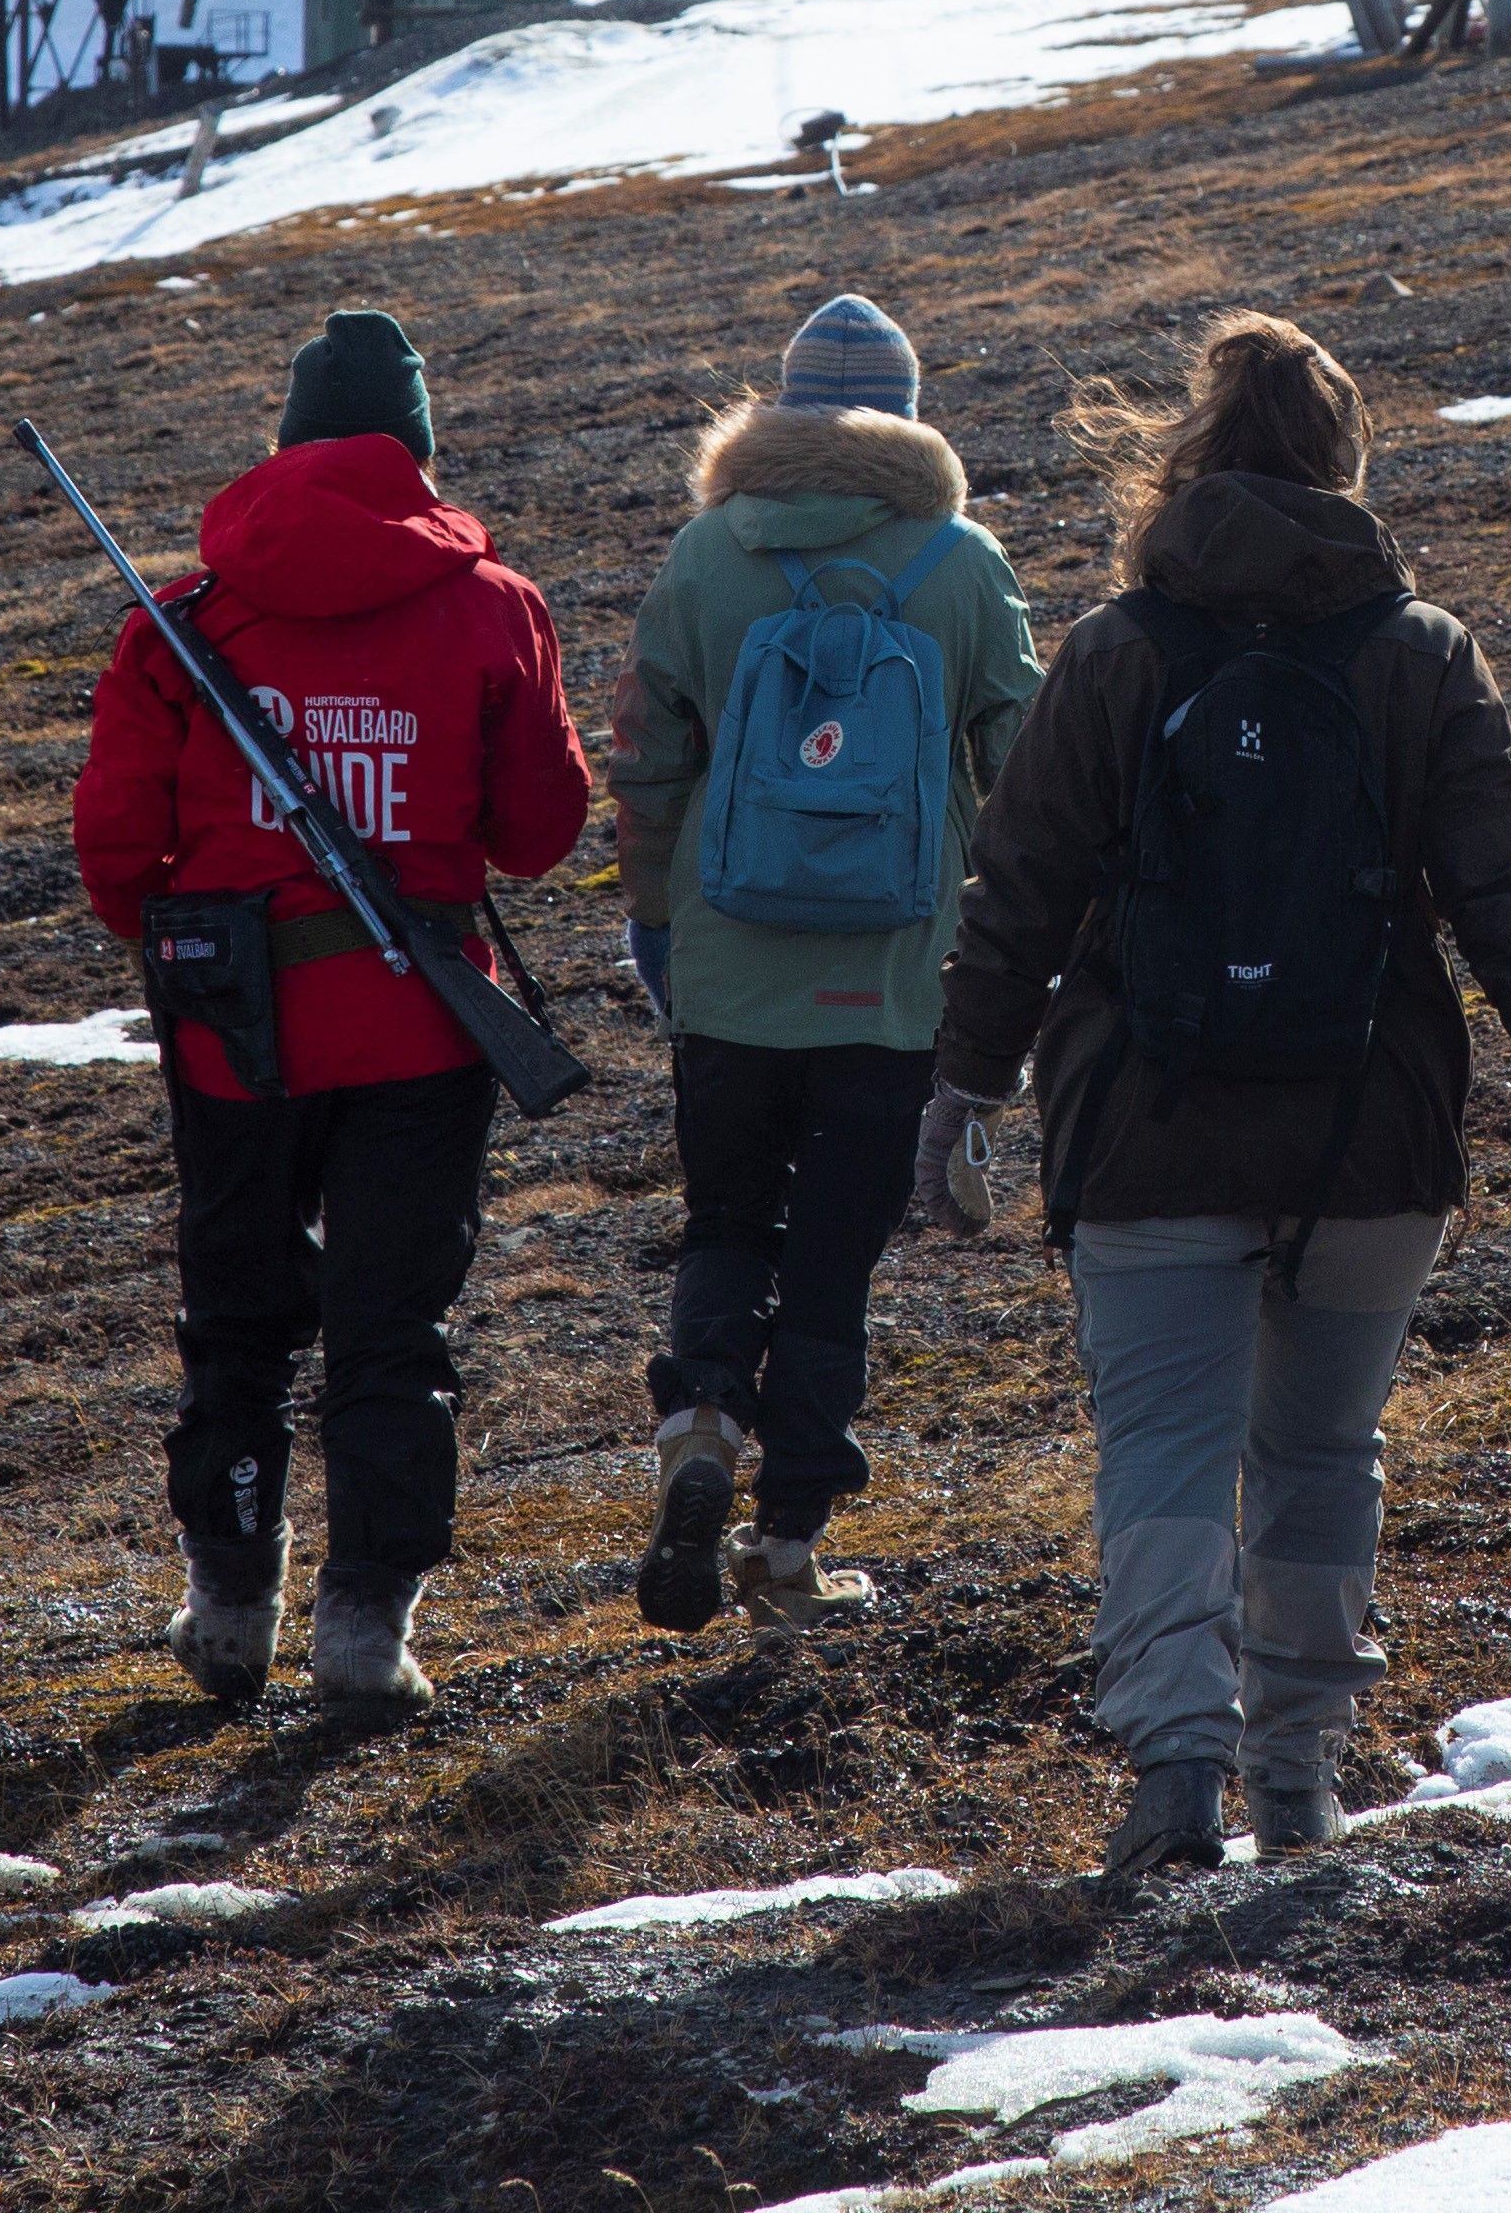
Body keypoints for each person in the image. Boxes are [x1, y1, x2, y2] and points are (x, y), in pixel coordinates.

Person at [925, 311, 1511, 1881]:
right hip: (1369, 1137)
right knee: (1322, 1453)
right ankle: (1301, 1780)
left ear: (1189, 458)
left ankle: (1177, 1771)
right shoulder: (1417, 654)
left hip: (1147, 1134)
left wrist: (963, 1093)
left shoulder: (1117, 651)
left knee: (1167, 1457)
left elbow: (1019, 893)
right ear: (1343, 463)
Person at [75, 303, 593, 1720]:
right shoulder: (497, 606)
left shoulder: (178, 625)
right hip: (425, 1033)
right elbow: (542, 832)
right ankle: (367, 1629)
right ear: (419, 451)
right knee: (390, 1329)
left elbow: (118, 860)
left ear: (287, 443)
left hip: (232, 1034)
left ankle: (228, 1608)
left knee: (236, 1319)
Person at [605, 294, 1040, 1633]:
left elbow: (646, 762)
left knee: (729, 1224)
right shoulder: (962, 565)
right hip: (890, 989)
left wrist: (662, 925)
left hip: (729, 977)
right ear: (907, 419)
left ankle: (697, 1421)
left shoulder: (703, 556)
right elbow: (1024, 773)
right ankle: (787, 1553)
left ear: (781, 414)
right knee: (836, 1272)